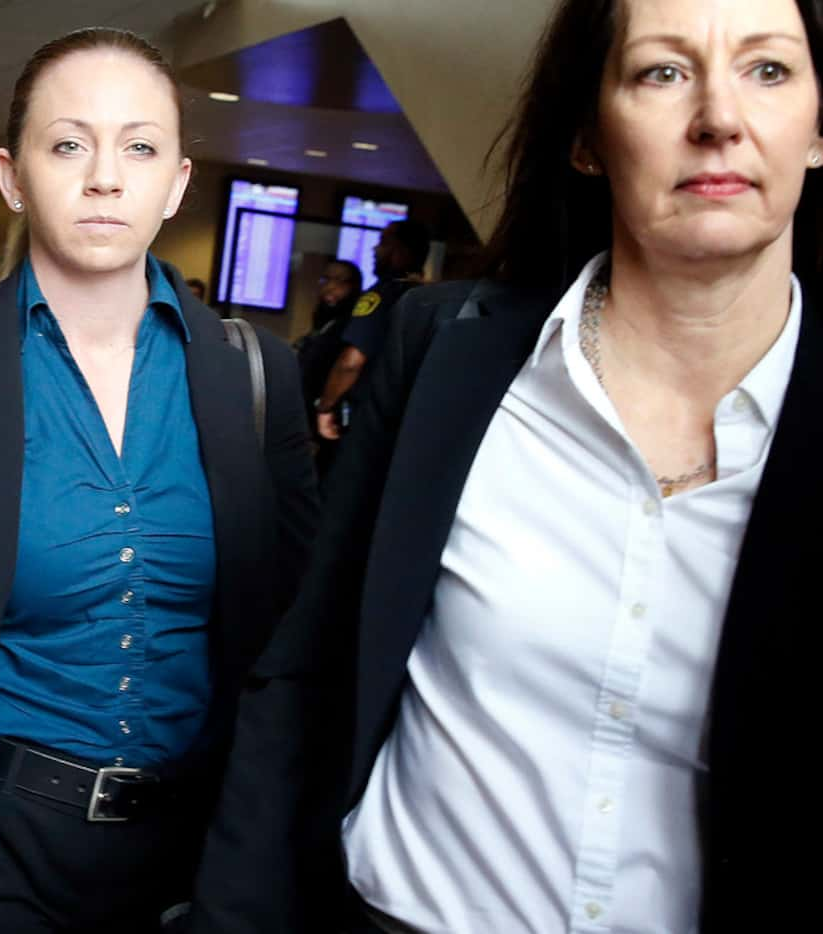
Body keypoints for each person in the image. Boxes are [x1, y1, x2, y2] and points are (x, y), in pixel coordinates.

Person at [191, 0, 823, 932]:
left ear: (815, 130)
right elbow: (309, 672)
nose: (719, 117)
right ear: (585, 137)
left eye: (767, 70)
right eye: (662, 71)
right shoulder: (445, 357)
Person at [0, 26, 318, 934]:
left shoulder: (255, 376)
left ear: (178, 183)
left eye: (140, 147)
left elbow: (288, 634)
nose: (105, 178)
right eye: (68, 144)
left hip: (187, 845)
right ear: (10, 174)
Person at [313, 219, 430, 444]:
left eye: (383, 242)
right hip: (402, 420)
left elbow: (351, 362)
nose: (375, 249)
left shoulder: (382, 296)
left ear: (401, 251)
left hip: (364, 418)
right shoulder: (428, 298)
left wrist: (325, 407)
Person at [292, 259, 362, 476]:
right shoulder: (324, 320)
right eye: (326, 279)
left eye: (340, 281)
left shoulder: (352, 325)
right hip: (306, 416)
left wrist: (323, 408)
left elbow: (347, 367)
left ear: (354, 287)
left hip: (329, 421)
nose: (330, 286)